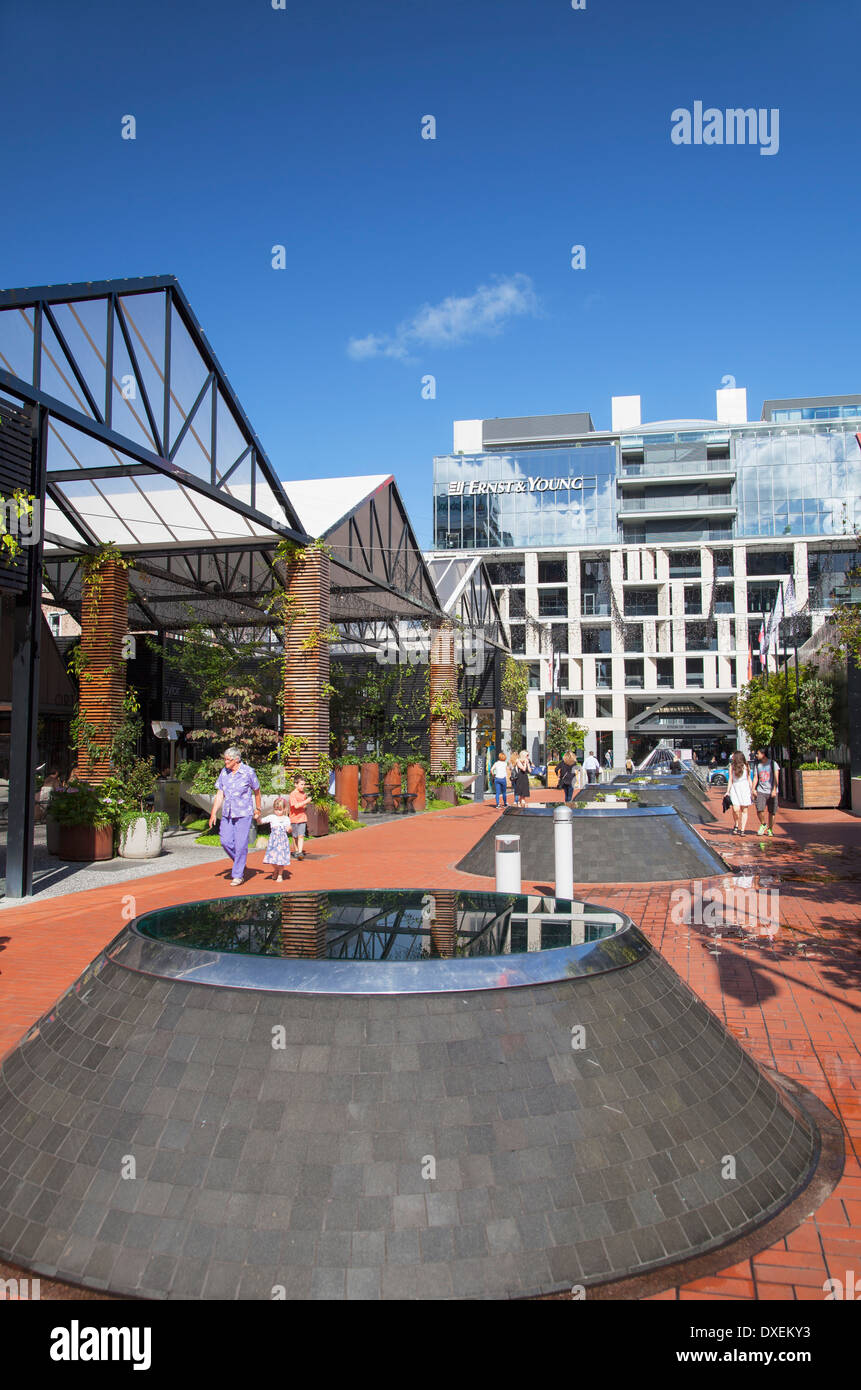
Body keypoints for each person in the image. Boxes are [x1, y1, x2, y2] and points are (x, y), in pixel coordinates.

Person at [209, 746, 261, 886]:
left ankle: (238, 874)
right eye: (224, 759)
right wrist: (213, 813)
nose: (225, 762)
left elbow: (256, 790)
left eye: (228, 759)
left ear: (236, 760)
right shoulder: (224, 773)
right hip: (228, 813)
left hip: (243, 813)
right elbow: (220, 794)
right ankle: (240, 862)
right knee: (225, 841)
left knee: (240, 844)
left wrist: (258, 808)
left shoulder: (248, 772)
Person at [260, 795, 291, 882]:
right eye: (276, 809)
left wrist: (289, 829)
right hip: (273, 841)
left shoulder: (286, 818)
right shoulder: (272, 817)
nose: (277, 811)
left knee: (281, 858)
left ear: (284, 809)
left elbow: (289, 828)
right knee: (272, 859)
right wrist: (257, 817)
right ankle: (276, 869)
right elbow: (261, 821)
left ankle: (280, 874)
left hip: (282, 841)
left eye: (280, 809)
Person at [753, 749, 780, 837]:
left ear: (763, 754)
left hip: (772, 791)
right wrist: (753, 789)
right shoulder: (757, 765)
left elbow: (776, 778)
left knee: (772, 811)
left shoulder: (773, 764)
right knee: (759, 809)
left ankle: (770, 829)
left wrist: (774, 789)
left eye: (758, 753)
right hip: (761, 790)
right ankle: (763, 824)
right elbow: (756, 777)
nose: (756, 755)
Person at [728, 750, 752, 835]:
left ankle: (742, 829)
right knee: (736, 809)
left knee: (744, 809)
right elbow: (730, 779)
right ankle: (736, 823)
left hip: (744, 788)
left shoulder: (746, 766)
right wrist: (728, 791)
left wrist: (752, 789)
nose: (732, 757)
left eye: (733, 756)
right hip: (735, 788)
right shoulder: (732, 766)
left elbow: (749, 778)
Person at [289, 776, 311, 858]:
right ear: (296, 784)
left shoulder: (304, 794)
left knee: (301, 835)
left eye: (304, 785)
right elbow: (296, 806)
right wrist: (306, 801)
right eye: (301, 784)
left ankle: (300, 852)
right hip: (294, 818)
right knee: (295, 836)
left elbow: (303, 806)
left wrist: (305, 803)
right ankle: (296, 850)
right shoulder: (292, 794)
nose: (303, 786)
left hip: (302, 817)